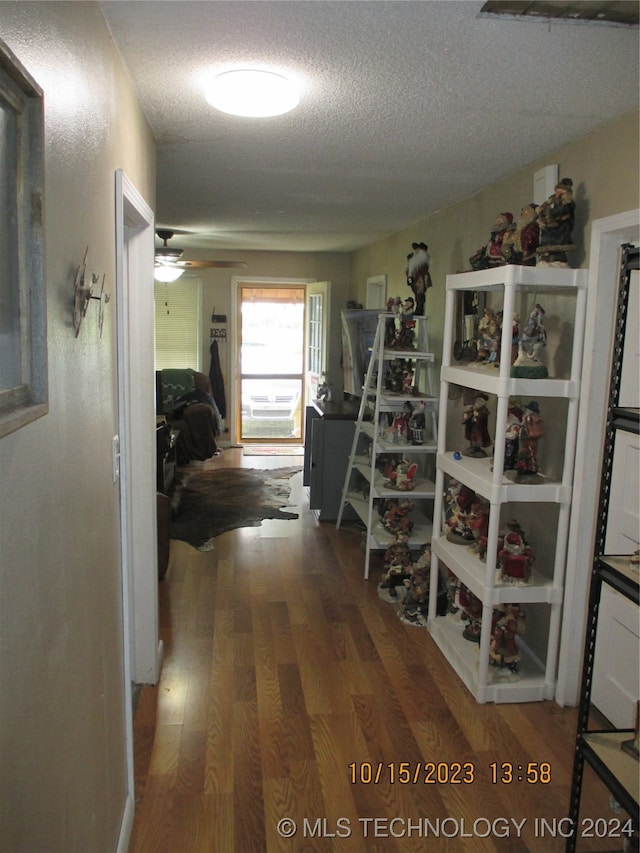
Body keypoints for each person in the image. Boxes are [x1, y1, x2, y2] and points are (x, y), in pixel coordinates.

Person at [536, 177, 576, 266]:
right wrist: (541, 211)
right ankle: (546, 256)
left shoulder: (568, 204)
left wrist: (550, 213)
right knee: (546, 236)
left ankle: (555, 257)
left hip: (560, 228)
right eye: (557, 191)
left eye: (561, 192)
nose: (558, 194)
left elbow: (560, 211)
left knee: (555, 239)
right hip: (550, 225)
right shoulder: (553, 200)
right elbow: (545, 207)